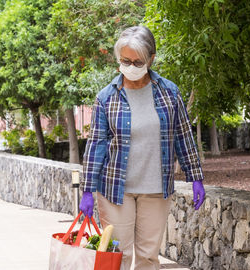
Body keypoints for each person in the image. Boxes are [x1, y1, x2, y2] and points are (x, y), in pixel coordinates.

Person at [80, 26, 205, 270]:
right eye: (125, 60)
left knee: (148, 257)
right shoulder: (107, 98)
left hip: (156, 189)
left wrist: (195, 177)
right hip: (115, 190)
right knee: (118, 256)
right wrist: (87, 189)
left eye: (138, 62)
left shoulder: (169, 92)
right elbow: (96, 145)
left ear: (151, 59)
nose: (131, 66)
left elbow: (183, 135)